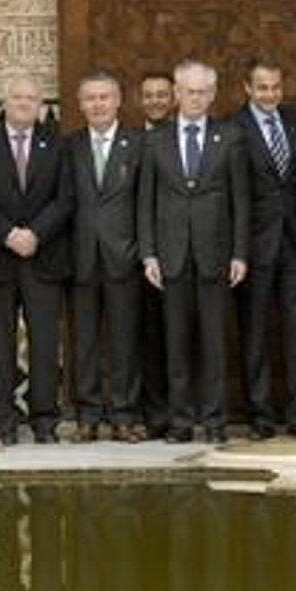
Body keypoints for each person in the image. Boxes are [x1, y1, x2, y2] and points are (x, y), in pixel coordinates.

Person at [138, 60, 250, 443]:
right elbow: (145, 202)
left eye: (204, 92)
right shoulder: (155, 140)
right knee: (177, 343)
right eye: (190, 91)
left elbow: (241, 201)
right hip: (170, 255)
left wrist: (240, 253)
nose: (197, 98)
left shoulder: (230, 136)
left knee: (214, 343)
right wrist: (149, 254)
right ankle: (181, 421)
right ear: (177, 93)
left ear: (213, 94)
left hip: (216, 255)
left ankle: (216, 421)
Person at [0, 75, 73, 445]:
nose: (24, 102)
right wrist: (9, 234)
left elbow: (65, 198)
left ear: (41, 105)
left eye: (31, 98)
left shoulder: (57, 145)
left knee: (45, 343)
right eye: (17, 97)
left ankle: (44, 419)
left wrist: (35, 234)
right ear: (4, 102)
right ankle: (4, 420)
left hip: (43, 257)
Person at [232, 55, 296, 438]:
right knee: (255, 333)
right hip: (252, 246)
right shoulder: (232, 129)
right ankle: (261, 417)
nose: (270, 94)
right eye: (262, 87)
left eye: (276, 87)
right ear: (248, 89)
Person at [65, 71, 146, 442]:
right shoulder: (71, 146)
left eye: (104, 97)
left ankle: (124, 415)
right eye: (90, 98)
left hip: (124, 256)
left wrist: (144, 252)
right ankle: (87, 416)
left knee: (125, 340)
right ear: (81, 105)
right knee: (84, 341)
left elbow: (147, 204)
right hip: (81, 258)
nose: (97, 104)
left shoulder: (139, 143)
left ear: (118, 101)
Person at [137, 71, 177, 439]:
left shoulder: (185, 137)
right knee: (148, 339)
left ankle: (183, 410)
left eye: (162, 94)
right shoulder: (134, 141)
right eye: (148, 95)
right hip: (141, 258)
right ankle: (153, 415)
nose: (155, 101)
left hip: (181, 256)